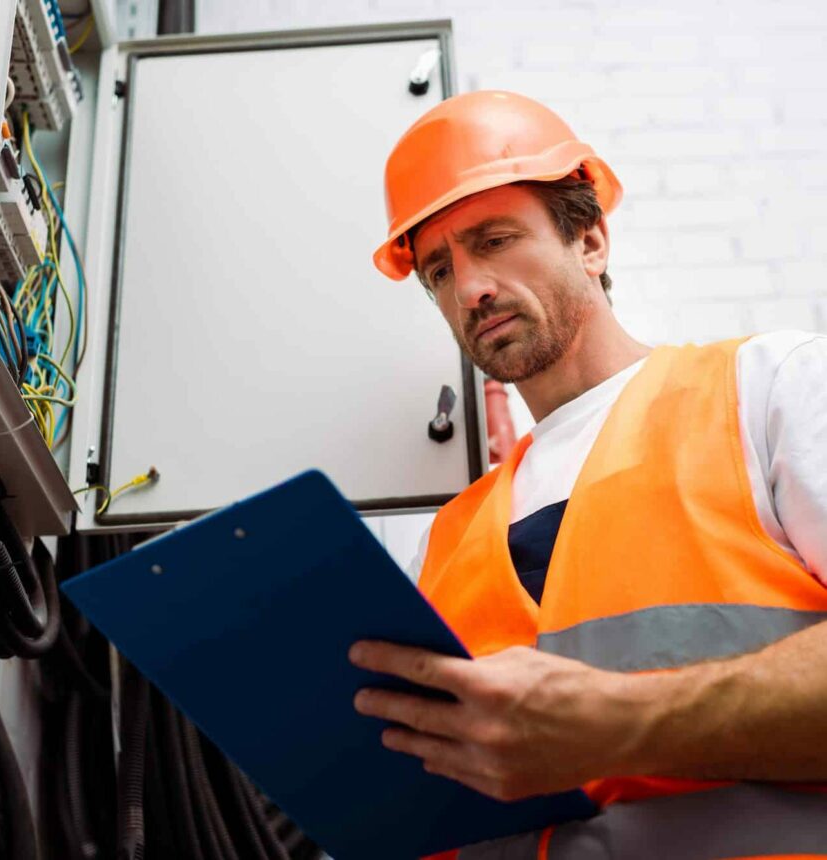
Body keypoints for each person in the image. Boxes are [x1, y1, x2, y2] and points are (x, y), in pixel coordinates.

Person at [349, 90, 827, 859]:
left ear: (592, 241)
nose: (470, 289)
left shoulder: (770, 390)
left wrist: (621, 722)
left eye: (495, 239)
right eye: (439, 269)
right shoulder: (444, 543)